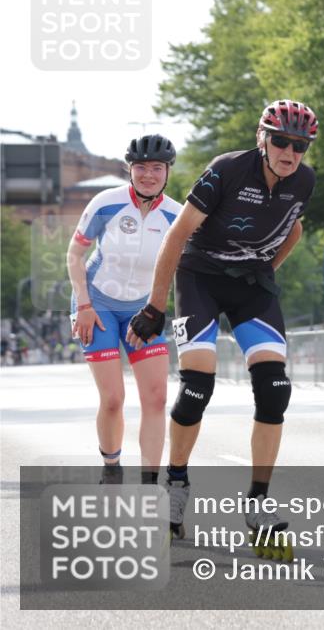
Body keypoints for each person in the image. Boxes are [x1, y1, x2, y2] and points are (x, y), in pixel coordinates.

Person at [126, 100, 317, 543]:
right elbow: (176, 237)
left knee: (274, 390)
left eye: (300, 145)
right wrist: (155, 307)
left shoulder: (304, 181)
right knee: (197, 387)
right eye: (282, 141)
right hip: (201, 278)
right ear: (262, 139)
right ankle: (176, 480)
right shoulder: (227, 170)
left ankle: (257, 504)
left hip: (251, 282)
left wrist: (267, 268)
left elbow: (294, 229)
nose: (290, 152)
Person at [66, 134, 182, 485]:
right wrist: (83, 305)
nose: (149, 175)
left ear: (167, 172)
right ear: (129, 170)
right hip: (97, 304)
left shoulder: (177, 215)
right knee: (114, 398)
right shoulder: (107, 203)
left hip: (143, 311)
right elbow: (75, 255)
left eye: (157, 168)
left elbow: (189, 267)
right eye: (142, 167)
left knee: (157, 398)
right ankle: (112, 467)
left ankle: (150, 486)